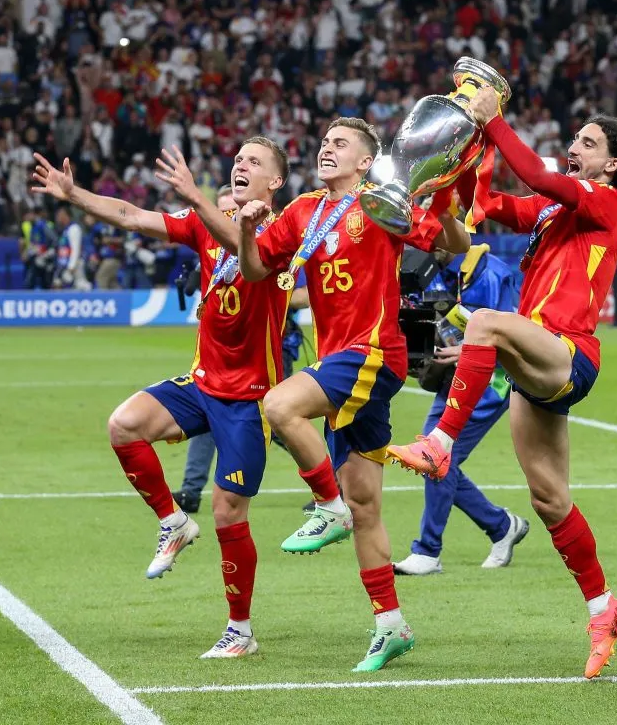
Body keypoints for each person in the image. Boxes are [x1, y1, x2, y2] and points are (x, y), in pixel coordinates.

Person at [386, 86, 617, 679]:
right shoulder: (555, 213)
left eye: (587, 143)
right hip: (537, 364)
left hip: (570, 354)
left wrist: (495, 123)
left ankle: (439, 446)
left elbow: (541, 179)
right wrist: (465, 153)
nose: (574, 148)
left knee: (487, 322)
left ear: (611, 164)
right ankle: (604, 607)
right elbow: (488, 202)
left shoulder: (606, 202)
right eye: (574, 139)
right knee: (549, 499)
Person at [32, 137, 294, 659]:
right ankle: (173, 521)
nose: (241, 164)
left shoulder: (283, 233)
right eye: (238, 158)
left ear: (276, 182)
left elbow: (253, 262)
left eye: (254, 161)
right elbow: (131, 215)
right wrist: (74, 194)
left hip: (248, 399)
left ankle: (240, 630)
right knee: (123, 424)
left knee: (228, 514)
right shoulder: (204, 223)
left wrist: (200, 201)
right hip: (202, 383)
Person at [231, 117, 471, 672]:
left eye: (340, 144)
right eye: (323, 142)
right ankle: (391, 625)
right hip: (339, 363)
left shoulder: (382, 203)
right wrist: (245, 229)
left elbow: (453, 246)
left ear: (366, 161)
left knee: (279, 406)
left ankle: (325, 504)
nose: (326, 149)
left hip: (372, 354)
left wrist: (450, 208)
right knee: (367, 506)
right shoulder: (301, 211)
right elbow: (256, 269)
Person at [171, 184, 309, 515]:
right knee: (208, 414)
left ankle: (328, 479)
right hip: (222, 360)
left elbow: (304, 293)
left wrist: (275, 293)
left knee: (279, 422)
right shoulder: (213, 243)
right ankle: (191, 489)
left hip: (270, 349)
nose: (224, 220)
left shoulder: (274, 240)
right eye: (219, 214)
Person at [394, 244, 530, 576]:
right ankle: (501, 526)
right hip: (452, 381)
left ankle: (428, 551)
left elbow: (514, 332)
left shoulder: (492, 271)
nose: (420, 241)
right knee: (434, 457)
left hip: (490, 382)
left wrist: (468, 350)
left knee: (437, 458)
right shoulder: (426, 271)